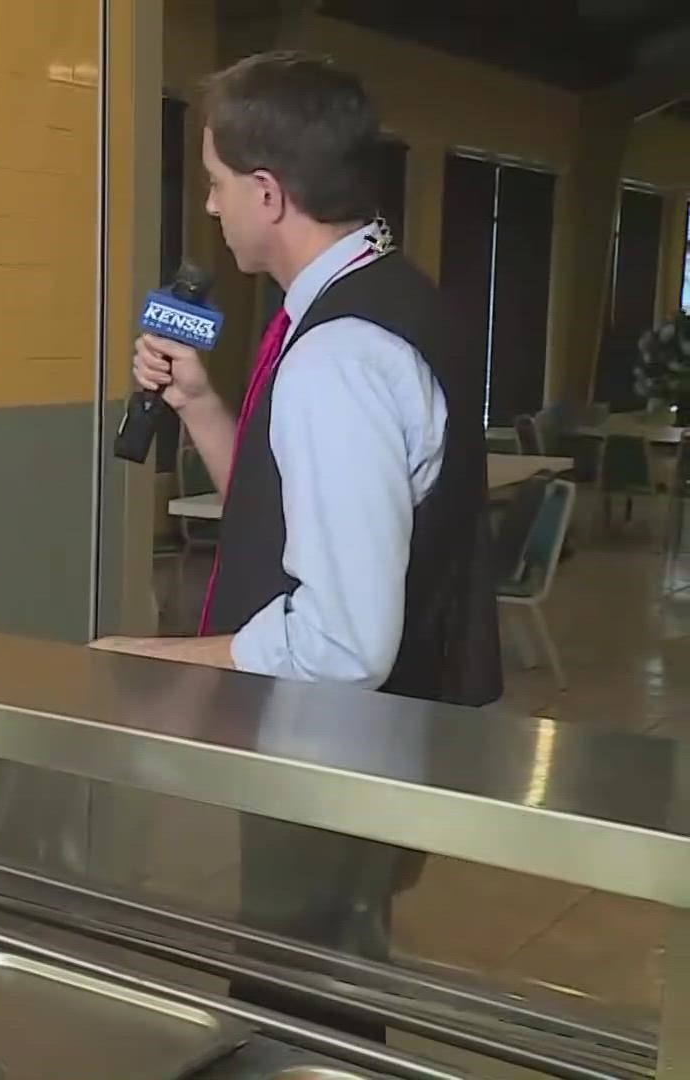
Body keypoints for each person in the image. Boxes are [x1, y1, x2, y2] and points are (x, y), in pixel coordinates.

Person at [92, 52, 501, 1039]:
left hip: (333, 746)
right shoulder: (373, 301)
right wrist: (200, 406)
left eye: (218, 184)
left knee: (303, 1007)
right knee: (319, 974)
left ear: (268, 192)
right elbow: (284, 525)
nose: (214, 208)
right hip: (345, 743)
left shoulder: (341, 356)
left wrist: (149, 664)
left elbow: (341, 641)